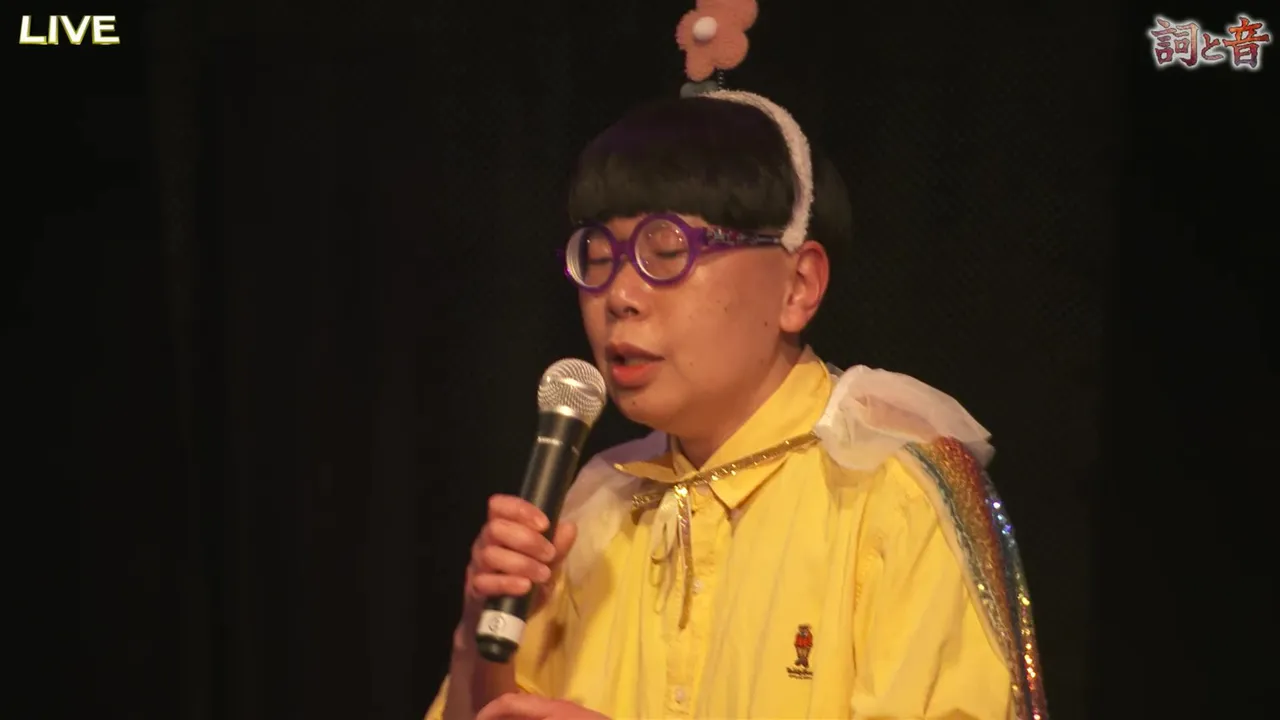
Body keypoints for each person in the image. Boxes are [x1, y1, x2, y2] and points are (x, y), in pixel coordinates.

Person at [426, 6, 1049, 719]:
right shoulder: (589, 509)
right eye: (597, 256)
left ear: (797, 286)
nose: (619, 295)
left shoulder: (893, 493)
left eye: (666, 252)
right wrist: (479, 640)